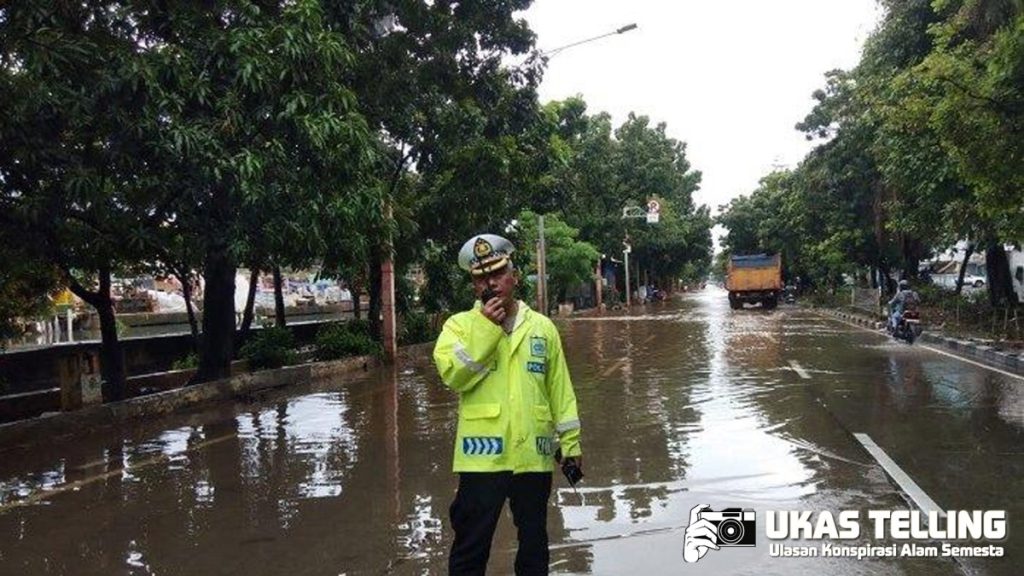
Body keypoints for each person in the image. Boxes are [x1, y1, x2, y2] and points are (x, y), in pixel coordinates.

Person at [433, 233, 583, 576]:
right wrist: (487, 328)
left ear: (513, 276)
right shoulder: (458, 327)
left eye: (498, 274)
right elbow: (454, 376)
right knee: (470, 548)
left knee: (534, 547)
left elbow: (560, 389)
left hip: (533, 455)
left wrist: (571, 446)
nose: (490, 283)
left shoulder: (543, 328)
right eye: (481, 278)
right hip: (481, 458)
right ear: (473, 285)